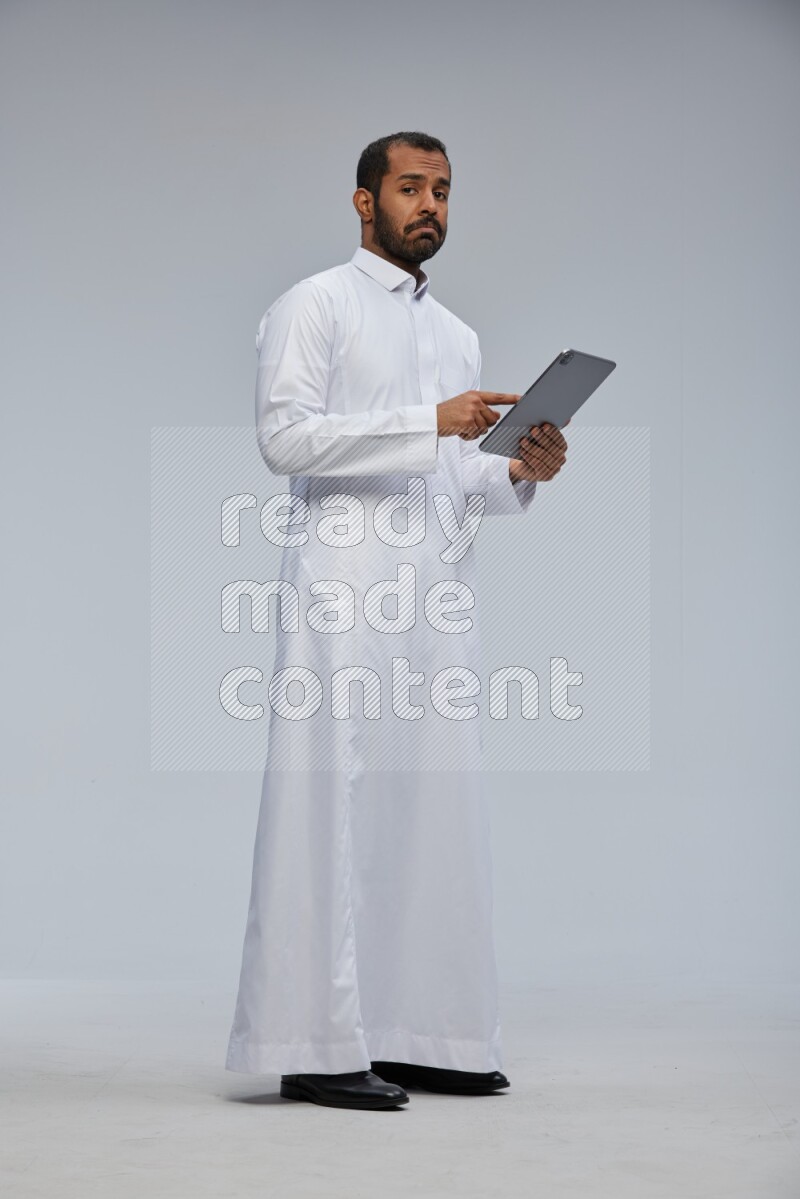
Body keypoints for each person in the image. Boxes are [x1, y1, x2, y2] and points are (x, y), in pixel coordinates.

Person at [225, 131, 568, 1110]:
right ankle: (313, 1039)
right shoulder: (313, 304)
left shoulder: (453, 335)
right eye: (409, 187)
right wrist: (433, 422)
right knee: (326, 800)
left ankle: (423, 1031)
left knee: (430, 806)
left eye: (443, 191)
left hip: (432, 590)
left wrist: (513, 466)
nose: (429, 205)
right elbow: (282, 438)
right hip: (341, 584)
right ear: (362, 201)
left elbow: (460, 479)